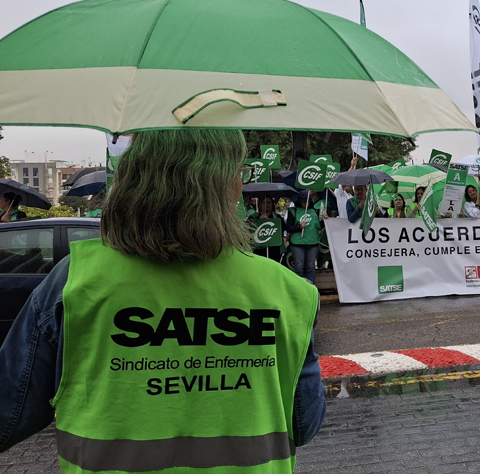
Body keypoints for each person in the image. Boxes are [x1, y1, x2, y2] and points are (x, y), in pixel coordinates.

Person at [0, 129, 325, 469]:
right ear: (226, 185)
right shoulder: (288, 291)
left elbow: (9, 414)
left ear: (133, 178)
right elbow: (304, 425)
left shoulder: (75, 282)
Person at [286, 190, 325, 284]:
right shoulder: (293, 211)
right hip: (297, 244)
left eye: (307, 201)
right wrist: (299, 227)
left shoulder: (315, 211)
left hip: (312, 243)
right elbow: (288, 227)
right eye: (303, 201)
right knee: (299, 269)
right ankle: (300, 291)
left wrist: (325, 220)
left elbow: (319, 226)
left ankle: (311, 291)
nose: (306, 203)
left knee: (311, 269)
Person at [249, 195, 283, 263]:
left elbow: (282, 229)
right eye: (264, 202)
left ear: (272, 204)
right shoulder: (253, 216)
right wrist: (259, 221)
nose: (266, 204)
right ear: (261, 204)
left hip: (274, 249)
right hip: (258, 248)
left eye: (269, 202)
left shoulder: (277, 217)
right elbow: (248, 229)